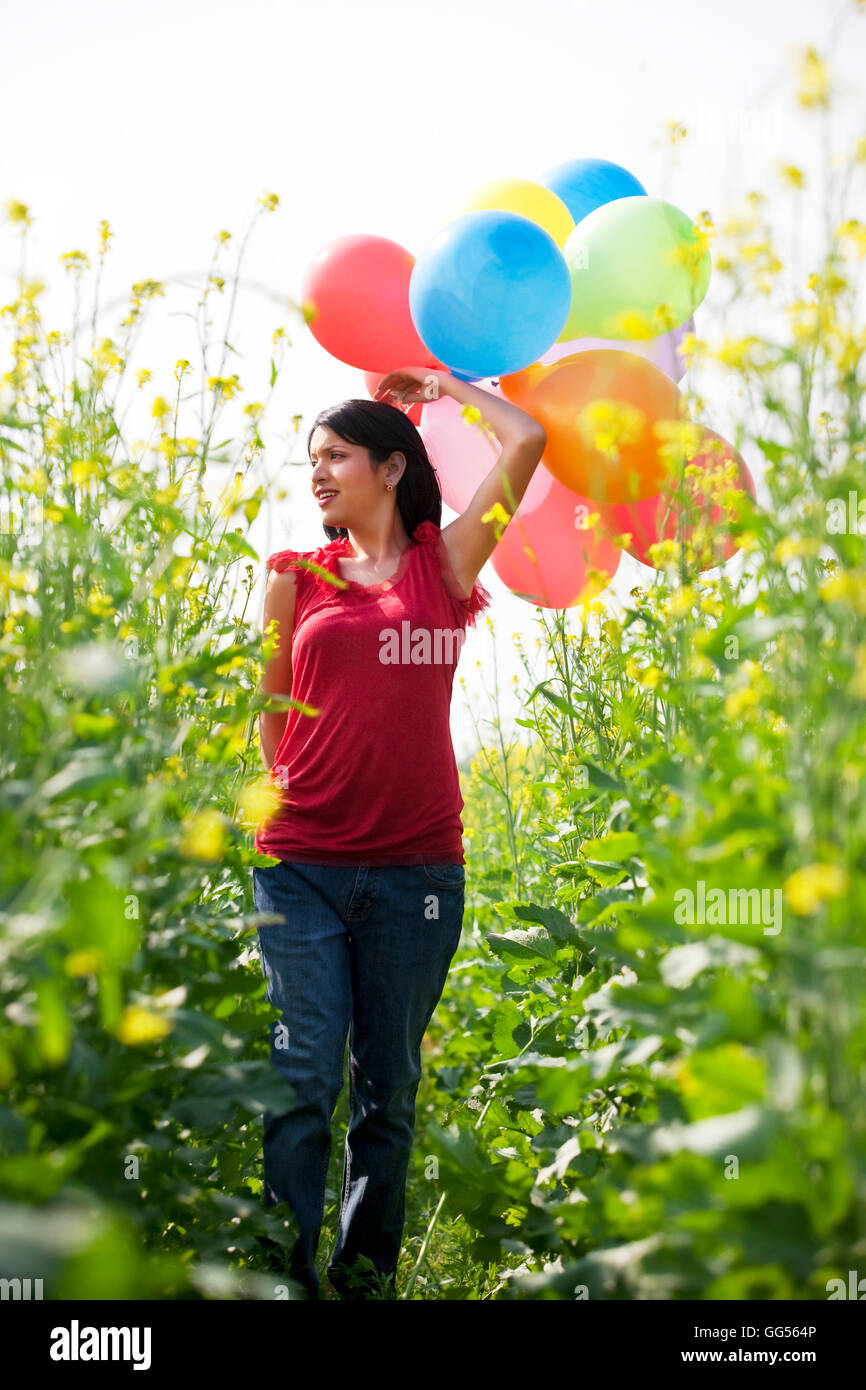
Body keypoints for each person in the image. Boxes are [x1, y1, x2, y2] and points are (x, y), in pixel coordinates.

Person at [252, 364, 546, 1299]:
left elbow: (528, 442)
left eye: (337, 455)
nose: (319, 473)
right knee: (302, 1073)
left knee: (388, 1089)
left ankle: (364, 1279)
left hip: (418, 872)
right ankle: (284, 1276)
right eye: (313, 460)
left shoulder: (445, 565)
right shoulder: (292, 576)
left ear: (390, 467)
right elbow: (268, 704)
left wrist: (449, 383)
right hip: (300, 867)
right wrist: (281, 786)